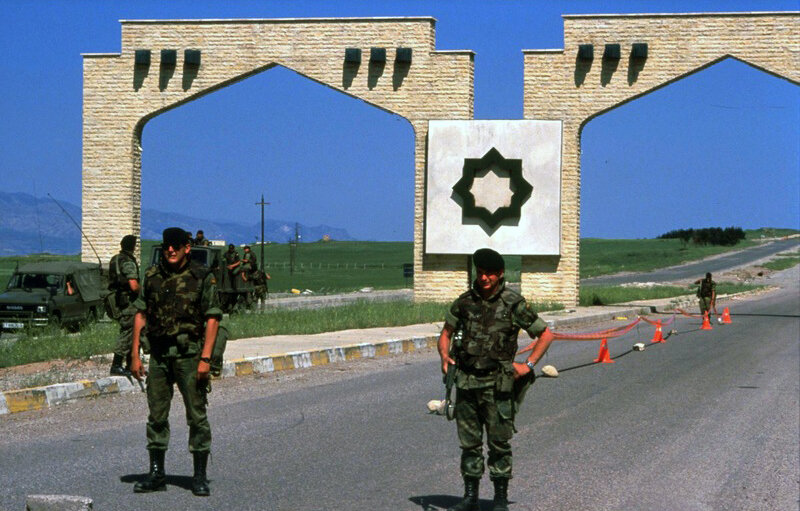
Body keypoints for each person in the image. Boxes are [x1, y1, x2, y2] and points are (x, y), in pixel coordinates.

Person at [438, 248, 554, 511]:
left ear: (500, 274)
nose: (484, 278)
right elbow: (446, 333)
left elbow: (546, 334)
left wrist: (528, 365)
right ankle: (470, 498)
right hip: (466, 383)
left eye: (490, 273)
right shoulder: (464, 302)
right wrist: (444, 356)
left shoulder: (513, 303)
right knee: (469, 444)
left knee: (498, 444)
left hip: (497, 385)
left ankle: (500, 500)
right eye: (481, 272)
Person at [130, 227, 222, 496]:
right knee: (157, 416)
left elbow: (213, 318)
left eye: (176, 245)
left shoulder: (201, 276)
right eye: (167, 245)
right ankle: (156, 474)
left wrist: (205, 359)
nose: (171, 250)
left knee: (197, 416)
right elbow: (141, 314)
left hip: (189, 356)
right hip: (159, 356)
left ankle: (199, 476)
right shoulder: (152, 276)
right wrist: (134, 354)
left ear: (186, 248)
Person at [108, 234, 140, 375]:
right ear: (133, 247)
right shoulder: (127, 262)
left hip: (117, 300)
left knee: (131, 331)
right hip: (128, 302)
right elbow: (133, 285)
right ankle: (116, 365)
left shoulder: (115, 259)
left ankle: (130, 365)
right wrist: (144, 292)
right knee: (129, 331)